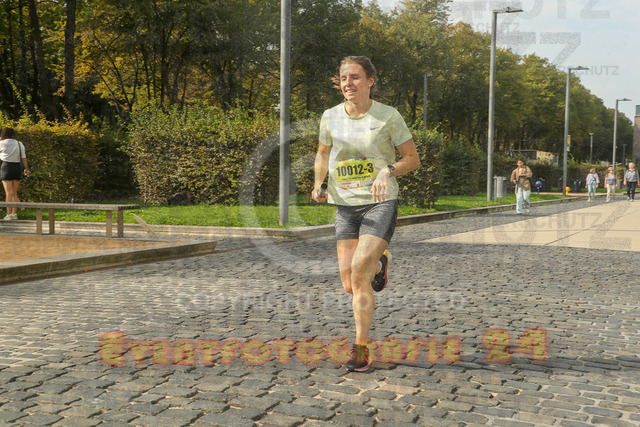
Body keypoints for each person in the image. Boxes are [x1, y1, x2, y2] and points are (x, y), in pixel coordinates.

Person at [311, 56, 420, 372]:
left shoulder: (388, 116)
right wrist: (319, 183)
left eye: (355, 77)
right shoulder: (330, 116)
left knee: (360, 274)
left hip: (379, 202)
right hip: (345, 205)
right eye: (344, 78)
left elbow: (412, 159)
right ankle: (380, 263)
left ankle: (360, 350)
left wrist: (388, 170)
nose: (348, 83)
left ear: (370, 81)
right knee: (349, 284)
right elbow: (322, 154)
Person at [0, 127, 29, 220]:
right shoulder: (19, 143)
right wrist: (26, 169)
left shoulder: (1, 143)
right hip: (17, 167)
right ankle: (14, 214)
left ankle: (8, 215)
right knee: (14, 193)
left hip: (6, 167)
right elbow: (24, 158)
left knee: (8, 193)